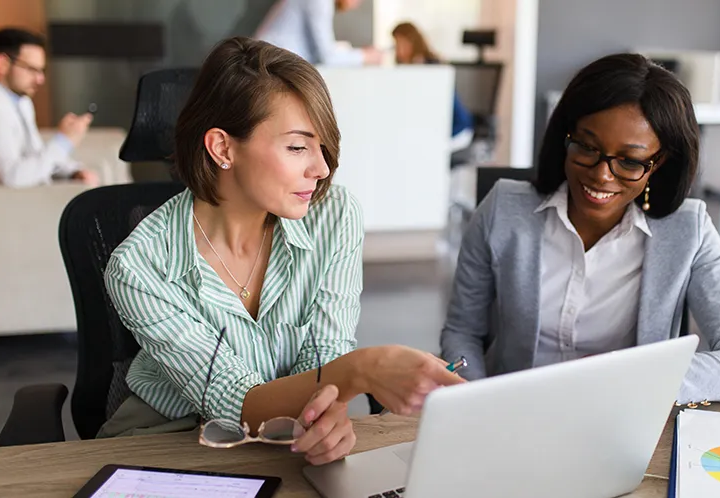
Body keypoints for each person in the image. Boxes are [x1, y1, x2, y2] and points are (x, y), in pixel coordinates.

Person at [100, 37, 463, 465]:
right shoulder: (139, 266)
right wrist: (363, 369)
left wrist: (328, 414)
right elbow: (233, 401)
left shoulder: (334, 216)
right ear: (222, 148)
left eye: (321, 145)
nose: (322, 168)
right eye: (297, 147)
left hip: (283, 436)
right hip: (165, 444)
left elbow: (326, 355)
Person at [441, 53, 720, 404]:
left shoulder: (690, 231)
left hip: (621, 420)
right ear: (566, 136)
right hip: (511, 414)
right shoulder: (503, 208)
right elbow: (463, 331)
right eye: (587, 147)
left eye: (629, 161)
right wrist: (473, 402)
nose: (601, 175)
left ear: (659, 163)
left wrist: (626, 378)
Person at [0, 28, 98, 187]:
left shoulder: (20, 100)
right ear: (2, 64)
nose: (40, 79)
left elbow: (36, 155)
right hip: (5, 205)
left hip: (32, 196)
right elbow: (14, 179)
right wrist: (64, 141)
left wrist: (73, 172)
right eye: (32, 69)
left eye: (42, 71)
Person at [392, 22, 474, 153]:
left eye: (400, 43)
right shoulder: (405, 70)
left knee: (424, 152)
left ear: (412, 42)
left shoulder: (432, 68)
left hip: (456, 130)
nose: (398, 50)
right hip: (435, 130)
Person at [254, 0, 381, 66]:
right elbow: (327, 57)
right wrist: (365, 56)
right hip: (269, 63)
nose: (359, 3)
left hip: (270, 60)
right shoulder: (319, 1)